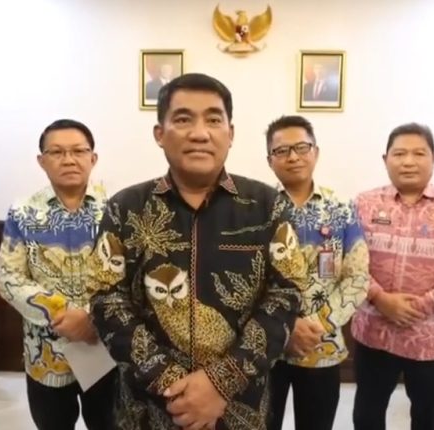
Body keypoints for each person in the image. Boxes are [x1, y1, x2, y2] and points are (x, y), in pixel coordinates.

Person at [85, 73, 307, 430]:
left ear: (230, 134)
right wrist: (172, 385)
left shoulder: (268, 206)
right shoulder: (124, 208)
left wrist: (221, 382)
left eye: (214, 120)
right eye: (184, 119)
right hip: (147, 408)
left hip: (241, 407)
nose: (200, 133)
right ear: (160, 133)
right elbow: (105, 298)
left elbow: (286, 292)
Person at [351, 122, 434, 430]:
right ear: (385, 159)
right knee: (367, 415)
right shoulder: (363, 204)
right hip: (374, 334)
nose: (408, 161)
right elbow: (349, 261)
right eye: (399, 154)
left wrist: (421, 306)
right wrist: (381, 299)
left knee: (428, 418)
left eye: (418, 153)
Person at [0, 119, 116, 430]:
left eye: (78, 151)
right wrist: (63, 313)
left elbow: (127, 278)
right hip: (45, 356)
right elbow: (8, 279)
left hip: (106, 351)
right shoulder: (23, 212)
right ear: (42, 161)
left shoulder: (116, 210)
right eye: (57, 152)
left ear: (93, 158)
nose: (69, 159)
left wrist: (91, 319)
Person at [265, 115, 370, 430]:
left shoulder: (341, 210)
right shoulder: (257, 210)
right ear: (270, 160)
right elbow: (246, 279)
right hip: (266, 347)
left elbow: (357, 277)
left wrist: (318, 324)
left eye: (301, 147)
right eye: (282, 150)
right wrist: (285, 328)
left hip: (321, 345)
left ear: (316, 152)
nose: (293, 157)